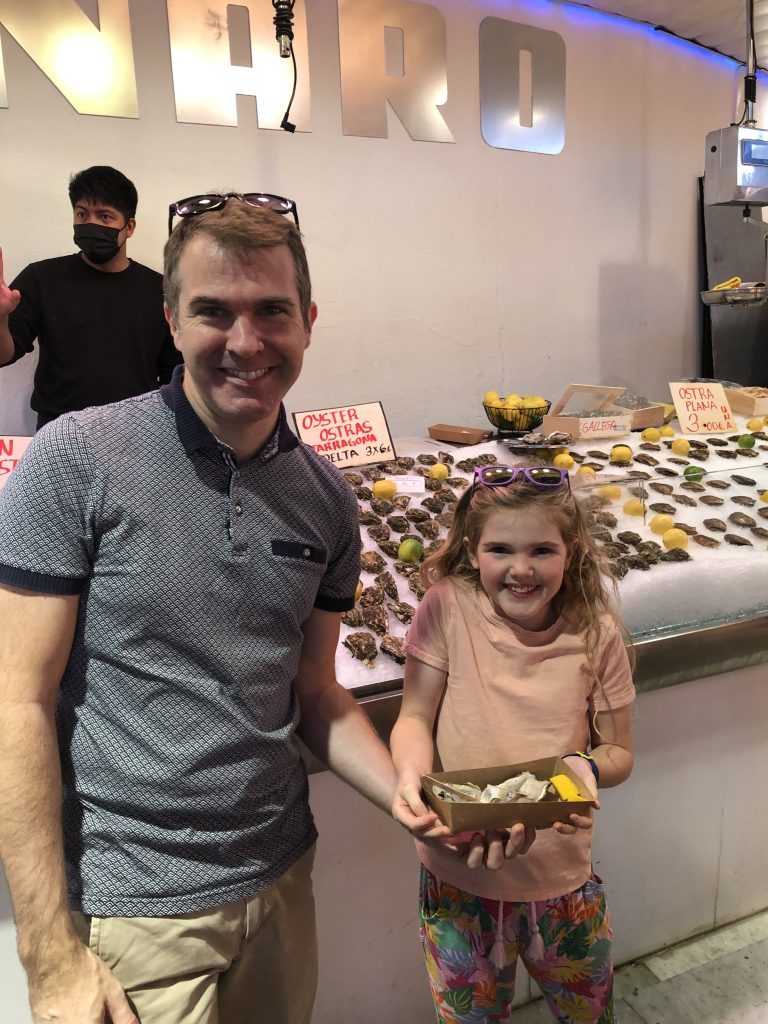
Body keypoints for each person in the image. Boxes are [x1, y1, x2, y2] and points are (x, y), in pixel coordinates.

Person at [0, 196, 425, 1024]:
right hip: (136, 908)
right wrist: (48, 955)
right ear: (170, 319)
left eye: (271, 311)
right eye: (212, 312)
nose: (246, 342)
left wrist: (406, 796)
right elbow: (17, 703)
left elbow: (314, 688)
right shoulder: (75, 460)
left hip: (281, 877)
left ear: (308, 321)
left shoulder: (326, 500)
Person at [390, 464, 636, 1023]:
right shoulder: (446, 606)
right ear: (472, 549)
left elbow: (619, 753)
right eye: (500, 549)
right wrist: (409, 779)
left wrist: (582, 768)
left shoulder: (596, 633)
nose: (521, 569)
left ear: (571, 551)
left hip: (562, 884)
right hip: (458, 879)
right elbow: (415, 716)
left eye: (542, 551)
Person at [0, 165, 181, 429]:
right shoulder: (41, 278)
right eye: (82, 214)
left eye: (105, 216)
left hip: (136, 433)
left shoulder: (161, 290)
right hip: (57, 432)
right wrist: (1, 318)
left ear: (129, 227)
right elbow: (4, 355)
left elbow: (173, 376)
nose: (91, 224)